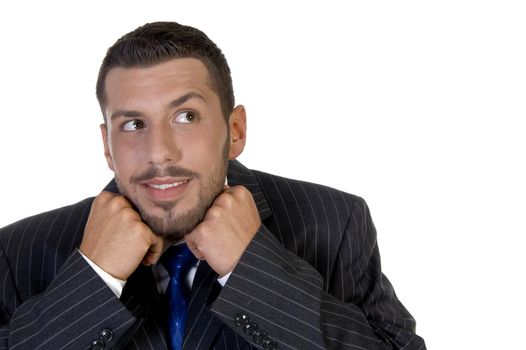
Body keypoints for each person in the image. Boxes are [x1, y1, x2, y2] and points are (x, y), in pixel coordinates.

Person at [0, 21, 426, 350]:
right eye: (132, 124)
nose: (159, 152)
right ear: (107, 146)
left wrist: (256, 272)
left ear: (235, 130)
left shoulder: (334, 223)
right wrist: (94, 279)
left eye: (186, 116)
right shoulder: (19, 250)